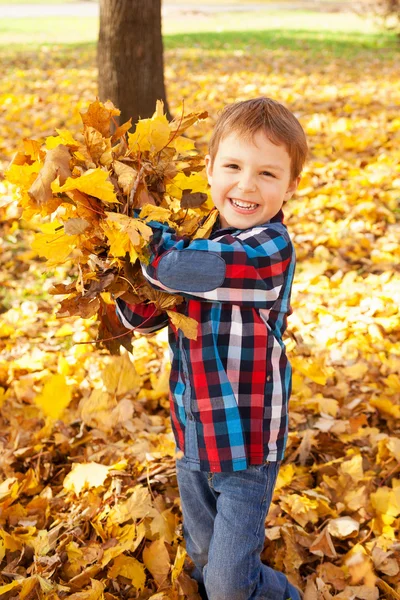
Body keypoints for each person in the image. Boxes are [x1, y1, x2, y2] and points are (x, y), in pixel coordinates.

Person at [115, 97, 308, 600]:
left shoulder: (269, 247)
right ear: (209, 170)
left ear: (290, 187)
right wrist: (116, 264)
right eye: (233, 166)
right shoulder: (194, 237)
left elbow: (179, 270)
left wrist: (140, 236)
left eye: (267, 173)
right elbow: (143, 317)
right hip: (193, 431)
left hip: (246, 442)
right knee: (203, 558)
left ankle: (283, 595)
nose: (246, 185)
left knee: (226, 585)